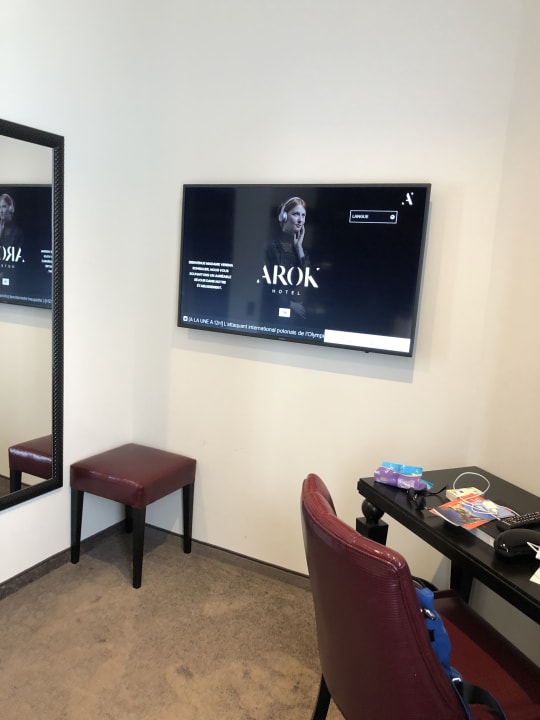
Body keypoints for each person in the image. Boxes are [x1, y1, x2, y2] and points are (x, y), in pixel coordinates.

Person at [264, 197, 310, 320]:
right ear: (283, 216)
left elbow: (310, 283)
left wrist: (299, 248)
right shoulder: (270, 248)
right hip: (271, 315)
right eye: (296, 214)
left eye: (303, 215)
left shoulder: (302, 252)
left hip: (301, 319)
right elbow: (265, 286)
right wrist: (291, 305)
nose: (300, 220)